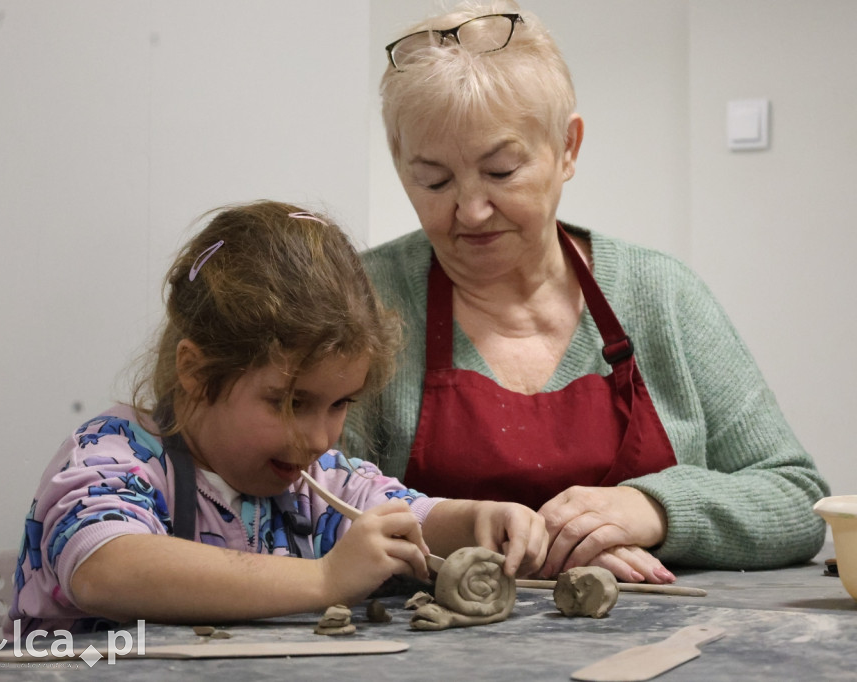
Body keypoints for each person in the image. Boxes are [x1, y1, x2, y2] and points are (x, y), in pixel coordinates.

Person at [343, 1, 830, 585]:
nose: (471, 210)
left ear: (567, 148)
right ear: (400, 165)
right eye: (434, 180)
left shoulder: (660, 296)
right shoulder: (360, 303)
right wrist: (541, 550)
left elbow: (798, 499)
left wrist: (655, 510)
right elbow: (302, 504)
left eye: (501, 172)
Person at [7, 200, 547, 637]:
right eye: (290, 403)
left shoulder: (314, 483)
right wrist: (325, 579)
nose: (318, 437)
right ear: (195, 371)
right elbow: (106, 569)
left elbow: (406, 517)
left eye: (340, 405)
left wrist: (480, 518)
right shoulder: (112, 455)